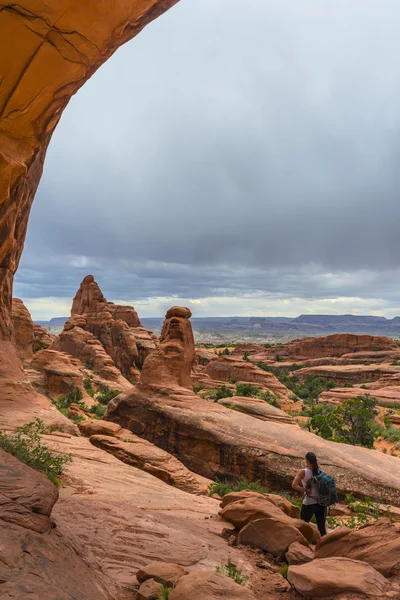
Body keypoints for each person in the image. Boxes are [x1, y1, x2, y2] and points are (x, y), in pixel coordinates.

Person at [292, 451, 327, 536]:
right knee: (322, 528)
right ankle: (326, 547)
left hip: (309, 503)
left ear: (306, 461)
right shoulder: (320, 472)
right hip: (321, 503)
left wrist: (304, 490)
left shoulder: (303, 472)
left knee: (303, 525)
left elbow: (294, 485)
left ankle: (302, 545)